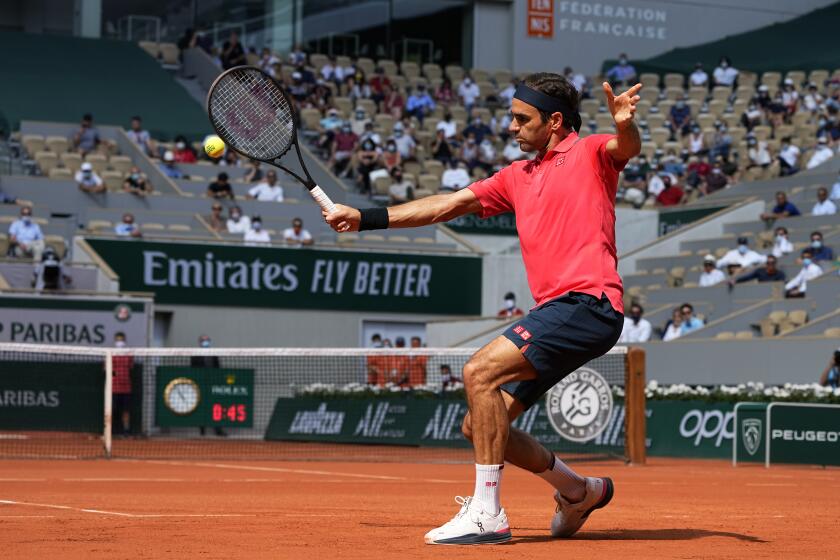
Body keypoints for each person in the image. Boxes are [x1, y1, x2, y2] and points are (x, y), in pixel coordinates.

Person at [323, 72, 641, 545]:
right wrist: (365, 218)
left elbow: (625, 149)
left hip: (589, 303)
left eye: (521, 118)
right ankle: (579, 491)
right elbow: (445, 206)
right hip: (557, 310)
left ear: (554, 121)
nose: (511, 127)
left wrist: (624, 125)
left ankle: (487, 514)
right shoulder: (516, 178)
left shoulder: (591, 152)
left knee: (479, 373)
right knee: (480, 425)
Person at [190, 335, 227, 436]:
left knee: (215, 407)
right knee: (201, 407)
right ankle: (202, 431)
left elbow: (218, 368)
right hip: (200, 385)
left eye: (207, 340)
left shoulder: (214, 355)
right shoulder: (195, 355)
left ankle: (218, 430)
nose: (205, 342)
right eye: (203, 341)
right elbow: (192, 370)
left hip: (212, 385)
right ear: (200, 342)